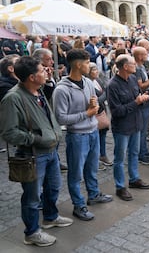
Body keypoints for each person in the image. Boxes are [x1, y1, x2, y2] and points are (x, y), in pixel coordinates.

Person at [0, 56, 73, 247]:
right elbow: (9, 132)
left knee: (53, 187)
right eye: (42, 70)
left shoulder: (38, 91)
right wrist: (36, 139)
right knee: (32, 197)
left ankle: (50, 217)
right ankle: (31, 232)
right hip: (32, 155)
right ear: (32, 77)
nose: (47, 71)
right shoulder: (13, 98)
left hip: (50, 151)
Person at [53, 49, 113, 221]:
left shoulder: (87, 82)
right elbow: (61, 118)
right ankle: (78, 205)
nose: (90, 65)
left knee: (92, 168)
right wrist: (86, 113)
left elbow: (93, 100)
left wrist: (93, 104)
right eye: (87, 62)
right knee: (76, 173)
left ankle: (93, 195)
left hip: (92, 131)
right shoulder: (62, 90)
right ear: (78, 64)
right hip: (77, 136)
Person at [107, 54, 149, 201]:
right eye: (133, 64)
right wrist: (136, 102)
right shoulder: (112, 85)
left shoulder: (132, 79)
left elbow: (137, 97)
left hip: (136, 123)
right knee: (119, 158)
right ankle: (120, 186)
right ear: (125, 67)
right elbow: (116, 111)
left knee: (134, 153)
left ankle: (134, 179)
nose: (136, 66)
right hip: (122, 127)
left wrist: (142, 98)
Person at [132, 46, 149, 165]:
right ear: (140, 56)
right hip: (143, 102)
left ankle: (144, 150)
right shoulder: (137, 68)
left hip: (146, 101)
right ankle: (141, 154)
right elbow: (141, 85)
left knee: (144, 128)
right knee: (142, 129)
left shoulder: (141, 67)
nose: (147, 55)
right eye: (145, 53)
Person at [86, 62, 113, 167]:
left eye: (96, 69)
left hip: (102, 111)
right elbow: (97, 99)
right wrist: (105, 95)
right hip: (95, 113)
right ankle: (95, 160)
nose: (96, 72)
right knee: (95, 137)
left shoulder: (97, 80)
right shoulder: (88, 83)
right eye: (93, 70)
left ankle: (103, 154)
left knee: (103, 134)